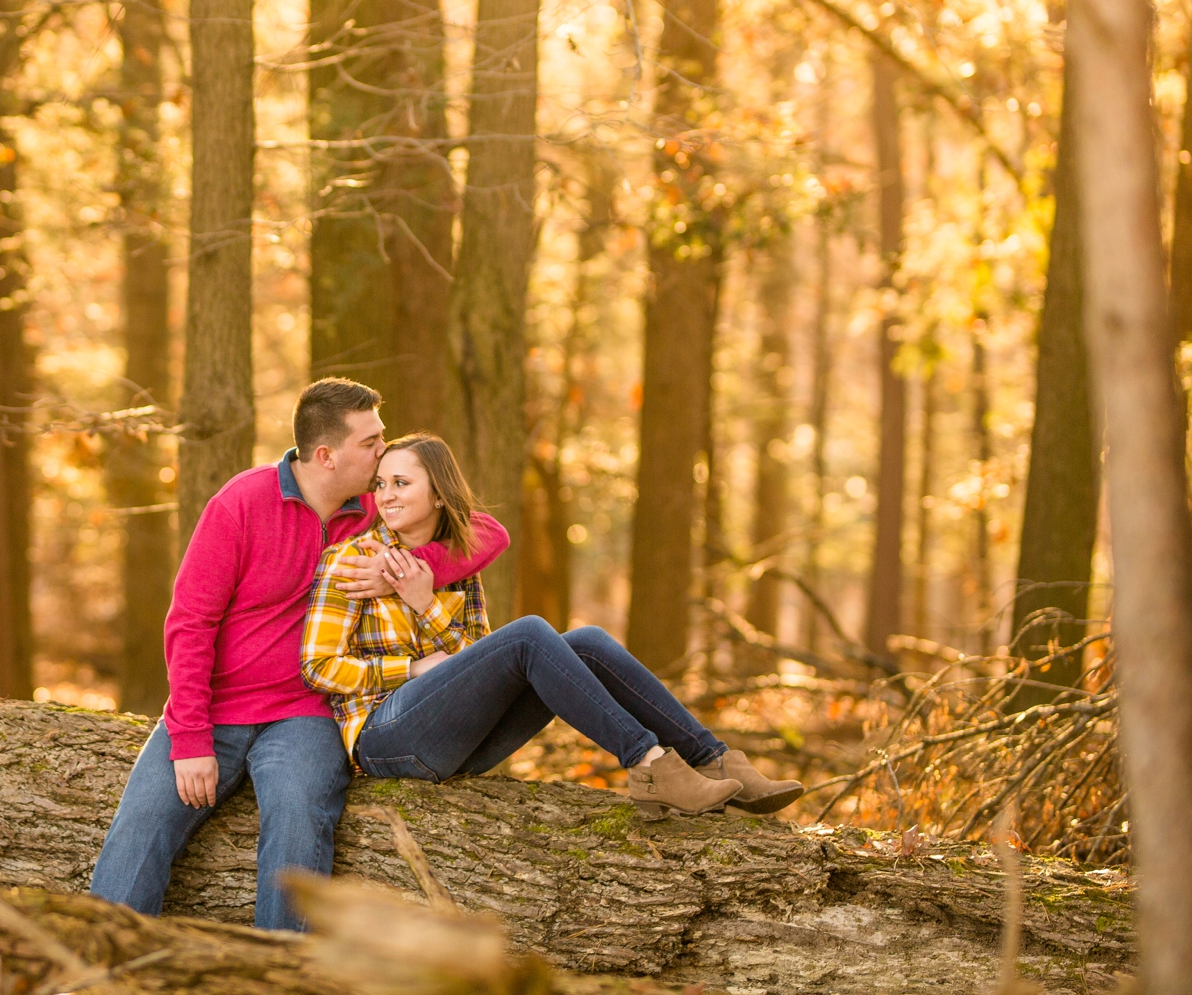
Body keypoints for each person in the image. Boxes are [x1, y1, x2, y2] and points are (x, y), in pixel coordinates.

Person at [88, 380, 508, 930]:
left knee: (297, 824)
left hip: (309, 713)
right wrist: (190, 737)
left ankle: (284, 977)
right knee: (139, 829)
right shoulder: (243, 501)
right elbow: (190, 623)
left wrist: (397, 571)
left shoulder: (376, 511)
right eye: (372, 442)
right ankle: (89, 966)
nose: (385, 452)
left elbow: (488, 531)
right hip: (213, 710)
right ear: (327, 455)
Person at [302, 433, 803, 820]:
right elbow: (318, 668)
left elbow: (477, 663)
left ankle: (713, 759)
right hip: (382, 741)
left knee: (584, 641)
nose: (385, 497)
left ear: (439, 494)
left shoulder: (458, 566)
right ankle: (649, 764)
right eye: (381, 484)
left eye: (402, 483)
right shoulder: (352, 560)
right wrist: (409, 670)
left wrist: (425, 604)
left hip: (456, 744)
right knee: (529, 634)